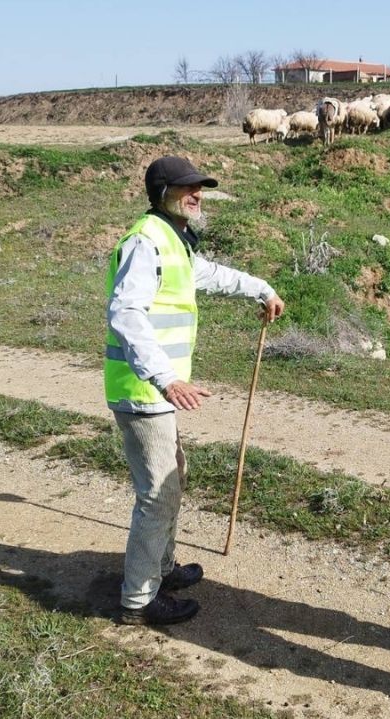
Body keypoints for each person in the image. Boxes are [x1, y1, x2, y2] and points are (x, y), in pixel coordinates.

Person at [106, 155, 285, 626]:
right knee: (158, 494)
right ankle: (138, 600)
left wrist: (262, 289)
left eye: (199, 187)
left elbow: (212, 275)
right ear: (162, 193)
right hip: (143, 389)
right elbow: (125, 313)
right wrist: (165, 378)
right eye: (187, 187)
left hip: (154, 391)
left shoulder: (174, 242)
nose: (197, 194)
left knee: (173, 476)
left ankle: (161, 569)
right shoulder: (145, 241)